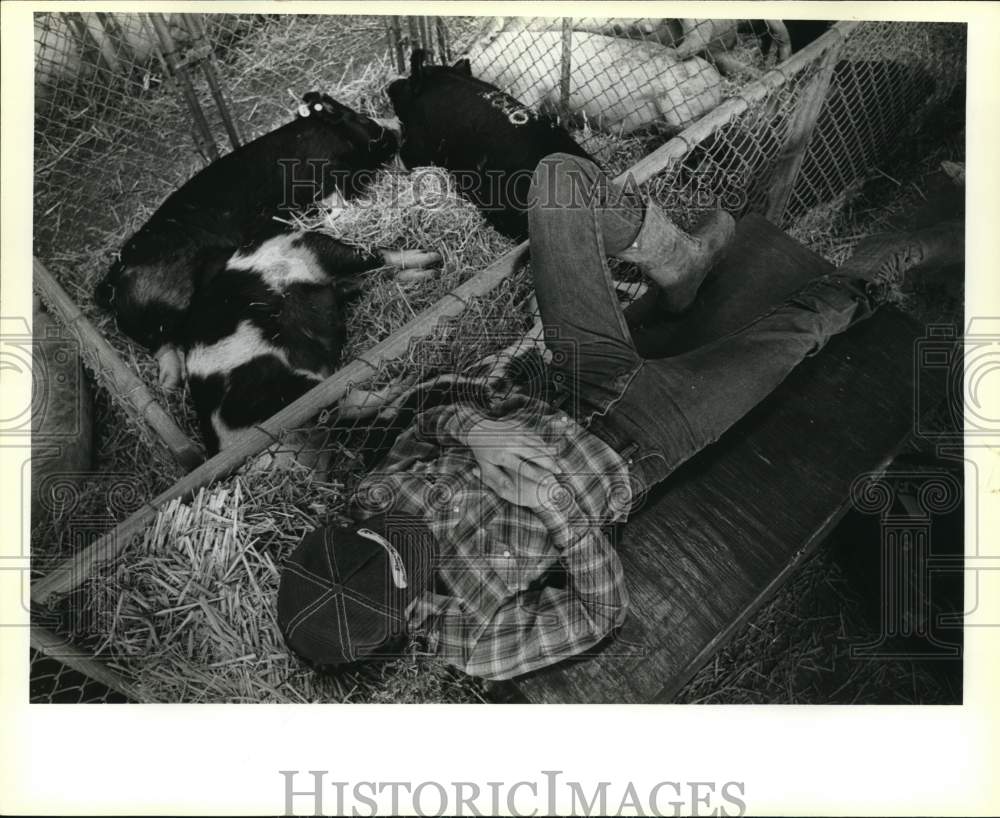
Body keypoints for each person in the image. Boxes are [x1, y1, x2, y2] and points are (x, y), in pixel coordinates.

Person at [276, 153, 961, 681]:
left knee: (557, 181)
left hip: (571, 378)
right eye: (411, 554)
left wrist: (471, 429)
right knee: (809, 325)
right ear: (396, 629)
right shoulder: (470, 640)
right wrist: (558, 507)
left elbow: (427, 424)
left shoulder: (365, 504)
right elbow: (598, 615)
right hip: (652, 436)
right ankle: (913, 251)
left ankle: (679, 259)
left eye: (386, 529)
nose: (405, 524)